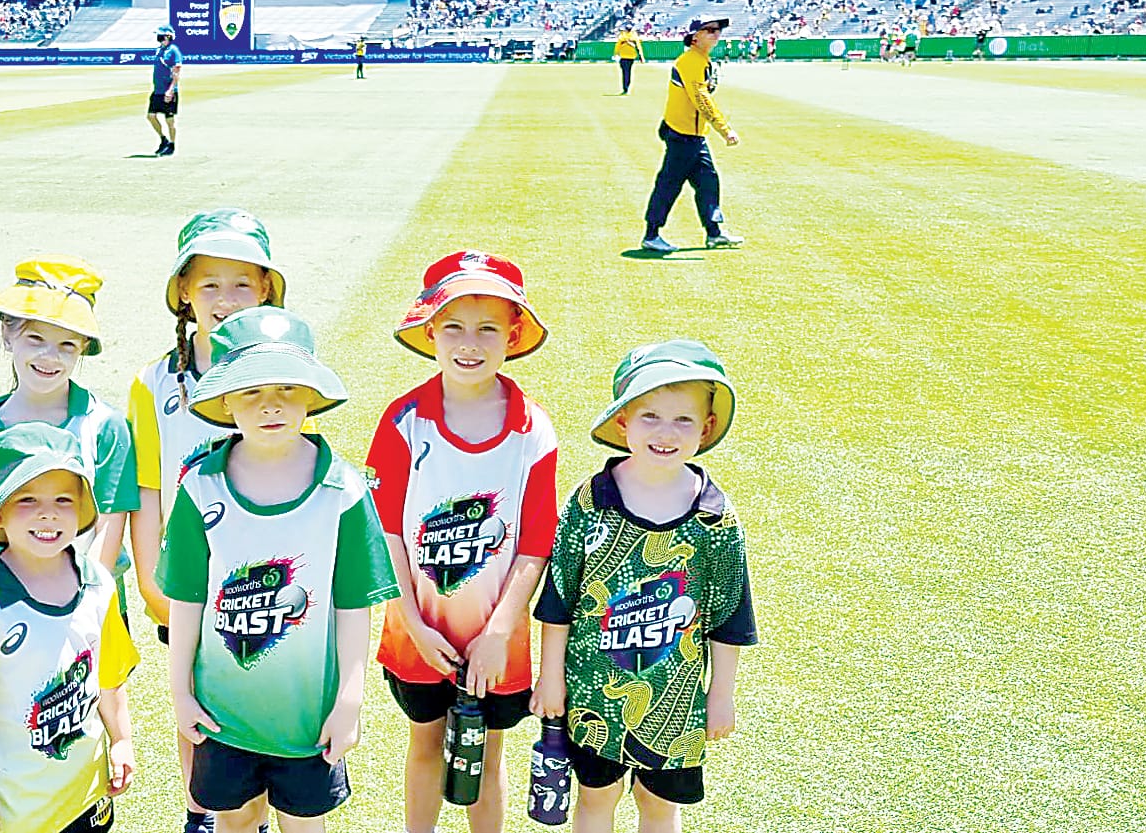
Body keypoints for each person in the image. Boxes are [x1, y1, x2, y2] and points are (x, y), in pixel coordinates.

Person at [157, 306, 399, 833]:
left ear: (310, 395)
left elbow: (354, 603)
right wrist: (179, 691)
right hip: (222, 716)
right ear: (224, 401)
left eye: (287, 390)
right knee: (233, 821)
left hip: (307, 720)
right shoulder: (200, 486)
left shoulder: (343, 489)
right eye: (250, 391)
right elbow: (187, 599)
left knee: (303, 825)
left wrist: (349, 702)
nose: (271, 406)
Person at [531, 339, 757, 833]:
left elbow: (730, 618)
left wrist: (722, 694)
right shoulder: (592, 500)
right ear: (622, 422)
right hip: (594, 696)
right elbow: (557, 601)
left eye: (683, 420)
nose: (665, 433)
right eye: (650, 416)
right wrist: (551, 678)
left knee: (659, 808)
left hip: (675, 703)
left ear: (707, 427)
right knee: (595, 801)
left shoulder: (714, 516)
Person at [368, 251, 557, 833]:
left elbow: (534, 542)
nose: (469, 343)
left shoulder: (533, 428)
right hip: (417, 630)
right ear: (430, 331)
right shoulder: (403, 421)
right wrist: (415, 624)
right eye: (453, 326)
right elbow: (387, 532)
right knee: (425, 745)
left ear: (513, 334)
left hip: (499, 635)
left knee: (487, 757)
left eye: (487, 329)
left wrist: (500, 630)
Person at [128, 209, 287, 833]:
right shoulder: (154, 384)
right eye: (210, 284)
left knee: (261, 695)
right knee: (192, 705)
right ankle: (200, 811)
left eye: (243, 283)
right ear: (184, 293)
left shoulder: (283, 376)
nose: (226, 300)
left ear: (267, 291)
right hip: (188, 585)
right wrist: (150, 582)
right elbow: (147, 492)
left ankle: (262, 811)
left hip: (266, 584)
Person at [0, 423, 139, 833]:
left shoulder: (99, 583)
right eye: (27, 499)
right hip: (16, 812)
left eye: (63, 499)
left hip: (87, 797)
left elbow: (110, 679)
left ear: (82, 509)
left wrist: (122, 740)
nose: (48, 513)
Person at [0, 257, 137, 590]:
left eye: (67, 345)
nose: (49, 357)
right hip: (17, 608)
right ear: (7, 334)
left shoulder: (105, 426)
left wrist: (85, 604)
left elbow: (109, 528)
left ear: (84, 347)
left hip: (95, 608)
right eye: (36, 339)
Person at [639, 18, 742, 255]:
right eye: (710, 30)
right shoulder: (691, 62)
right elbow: (701, 99)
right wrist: (724, 129)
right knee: (669, 184)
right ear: (695, 36)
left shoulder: (701, 60)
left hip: (694, 135)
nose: (717, 34)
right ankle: (651, 235)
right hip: (683, 134)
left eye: (718, 30)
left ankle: (714, 233)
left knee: (708, 181)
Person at [147, 25, 182, 156]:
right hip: (157, 90)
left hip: (168, 90)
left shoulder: (173, 51)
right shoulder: (159, 50)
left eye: (160, 35)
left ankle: (172, 145)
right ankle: (163, 139)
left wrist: (171, 90)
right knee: (151, 116)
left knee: (169, 120)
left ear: (167, 36)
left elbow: (176, 71)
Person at [614, 24, 644, 95]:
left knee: (625, 73)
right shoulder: (633, 36)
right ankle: (626, 88)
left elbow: (617, 46)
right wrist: (641, 57)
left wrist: (616, 54)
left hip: (625, 57)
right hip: (630, 57)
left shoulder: (622, 36)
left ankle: (625, 88)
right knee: (628, 72)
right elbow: (638, 47)